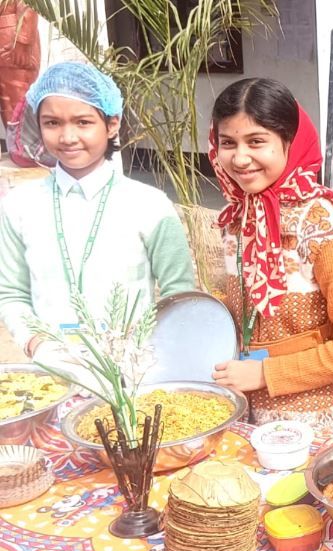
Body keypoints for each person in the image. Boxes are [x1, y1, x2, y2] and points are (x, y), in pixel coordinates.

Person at [208, 78, 333, 435]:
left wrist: (265, 373)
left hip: (307, 421)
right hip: (240, 411)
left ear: (290, 141)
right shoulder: (237, 219)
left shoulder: (324, 229)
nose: (240, 158)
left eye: (256, 142)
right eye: (228, 143)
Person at [0, 62, 196, 379]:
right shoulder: (20, 206)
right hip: (53, 377)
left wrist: (145, 351)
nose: (67, 136)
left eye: (83, 122)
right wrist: (37, 344)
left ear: (112, 123)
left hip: (134, 378)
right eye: (52, 122)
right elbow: (11, 294)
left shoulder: (150, 205)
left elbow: (179, 295)